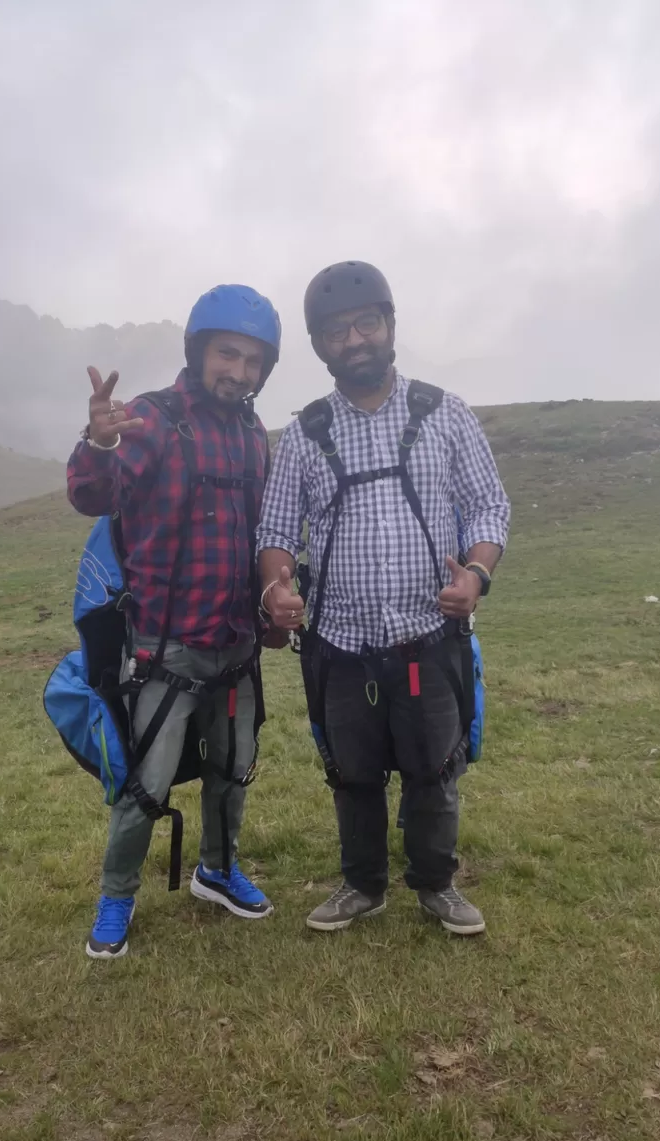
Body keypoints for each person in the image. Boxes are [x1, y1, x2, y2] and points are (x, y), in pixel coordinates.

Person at [257, 261, 510, 935]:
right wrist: (275, 585)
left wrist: (475, 578)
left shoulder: (444, 412)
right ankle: (363, 885)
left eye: (366, 323)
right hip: (340, 644)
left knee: (435, 771)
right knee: (352, 775)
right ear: (320, 345)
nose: (355, 339)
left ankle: (436, 884)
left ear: (390, 325)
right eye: (337, 331)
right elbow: (277, 530)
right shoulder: (305, 435)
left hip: (428, 635)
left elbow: (488, 505)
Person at [66, 284, 283, 958]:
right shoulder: (151, 419)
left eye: (253, 362)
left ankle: (216, 870)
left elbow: (261, 533)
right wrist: (97, 446)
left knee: (233, 768)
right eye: (228, 354)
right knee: (145, 784)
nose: (239, 372)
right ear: (197, 350)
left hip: (236, 645)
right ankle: (116, 896)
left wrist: (276, 597)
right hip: (166, 647)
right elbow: (92, 494)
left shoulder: (252, 434)